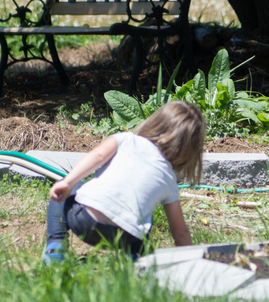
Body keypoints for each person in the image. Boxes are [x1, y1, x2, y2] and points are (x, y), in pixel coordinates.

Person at [43, 101, 205, 264]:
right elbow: (180, 232)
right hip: (124, 236)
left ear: (155, 122)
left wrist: (69, 182)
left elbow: (98, 155)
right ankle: (135, 257)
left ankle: (55, 247)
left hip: (85, 221)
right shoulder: (169, 179)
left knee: (64, 190)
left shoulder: (126, 140)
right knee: (144, 216)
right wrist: (190, 262)